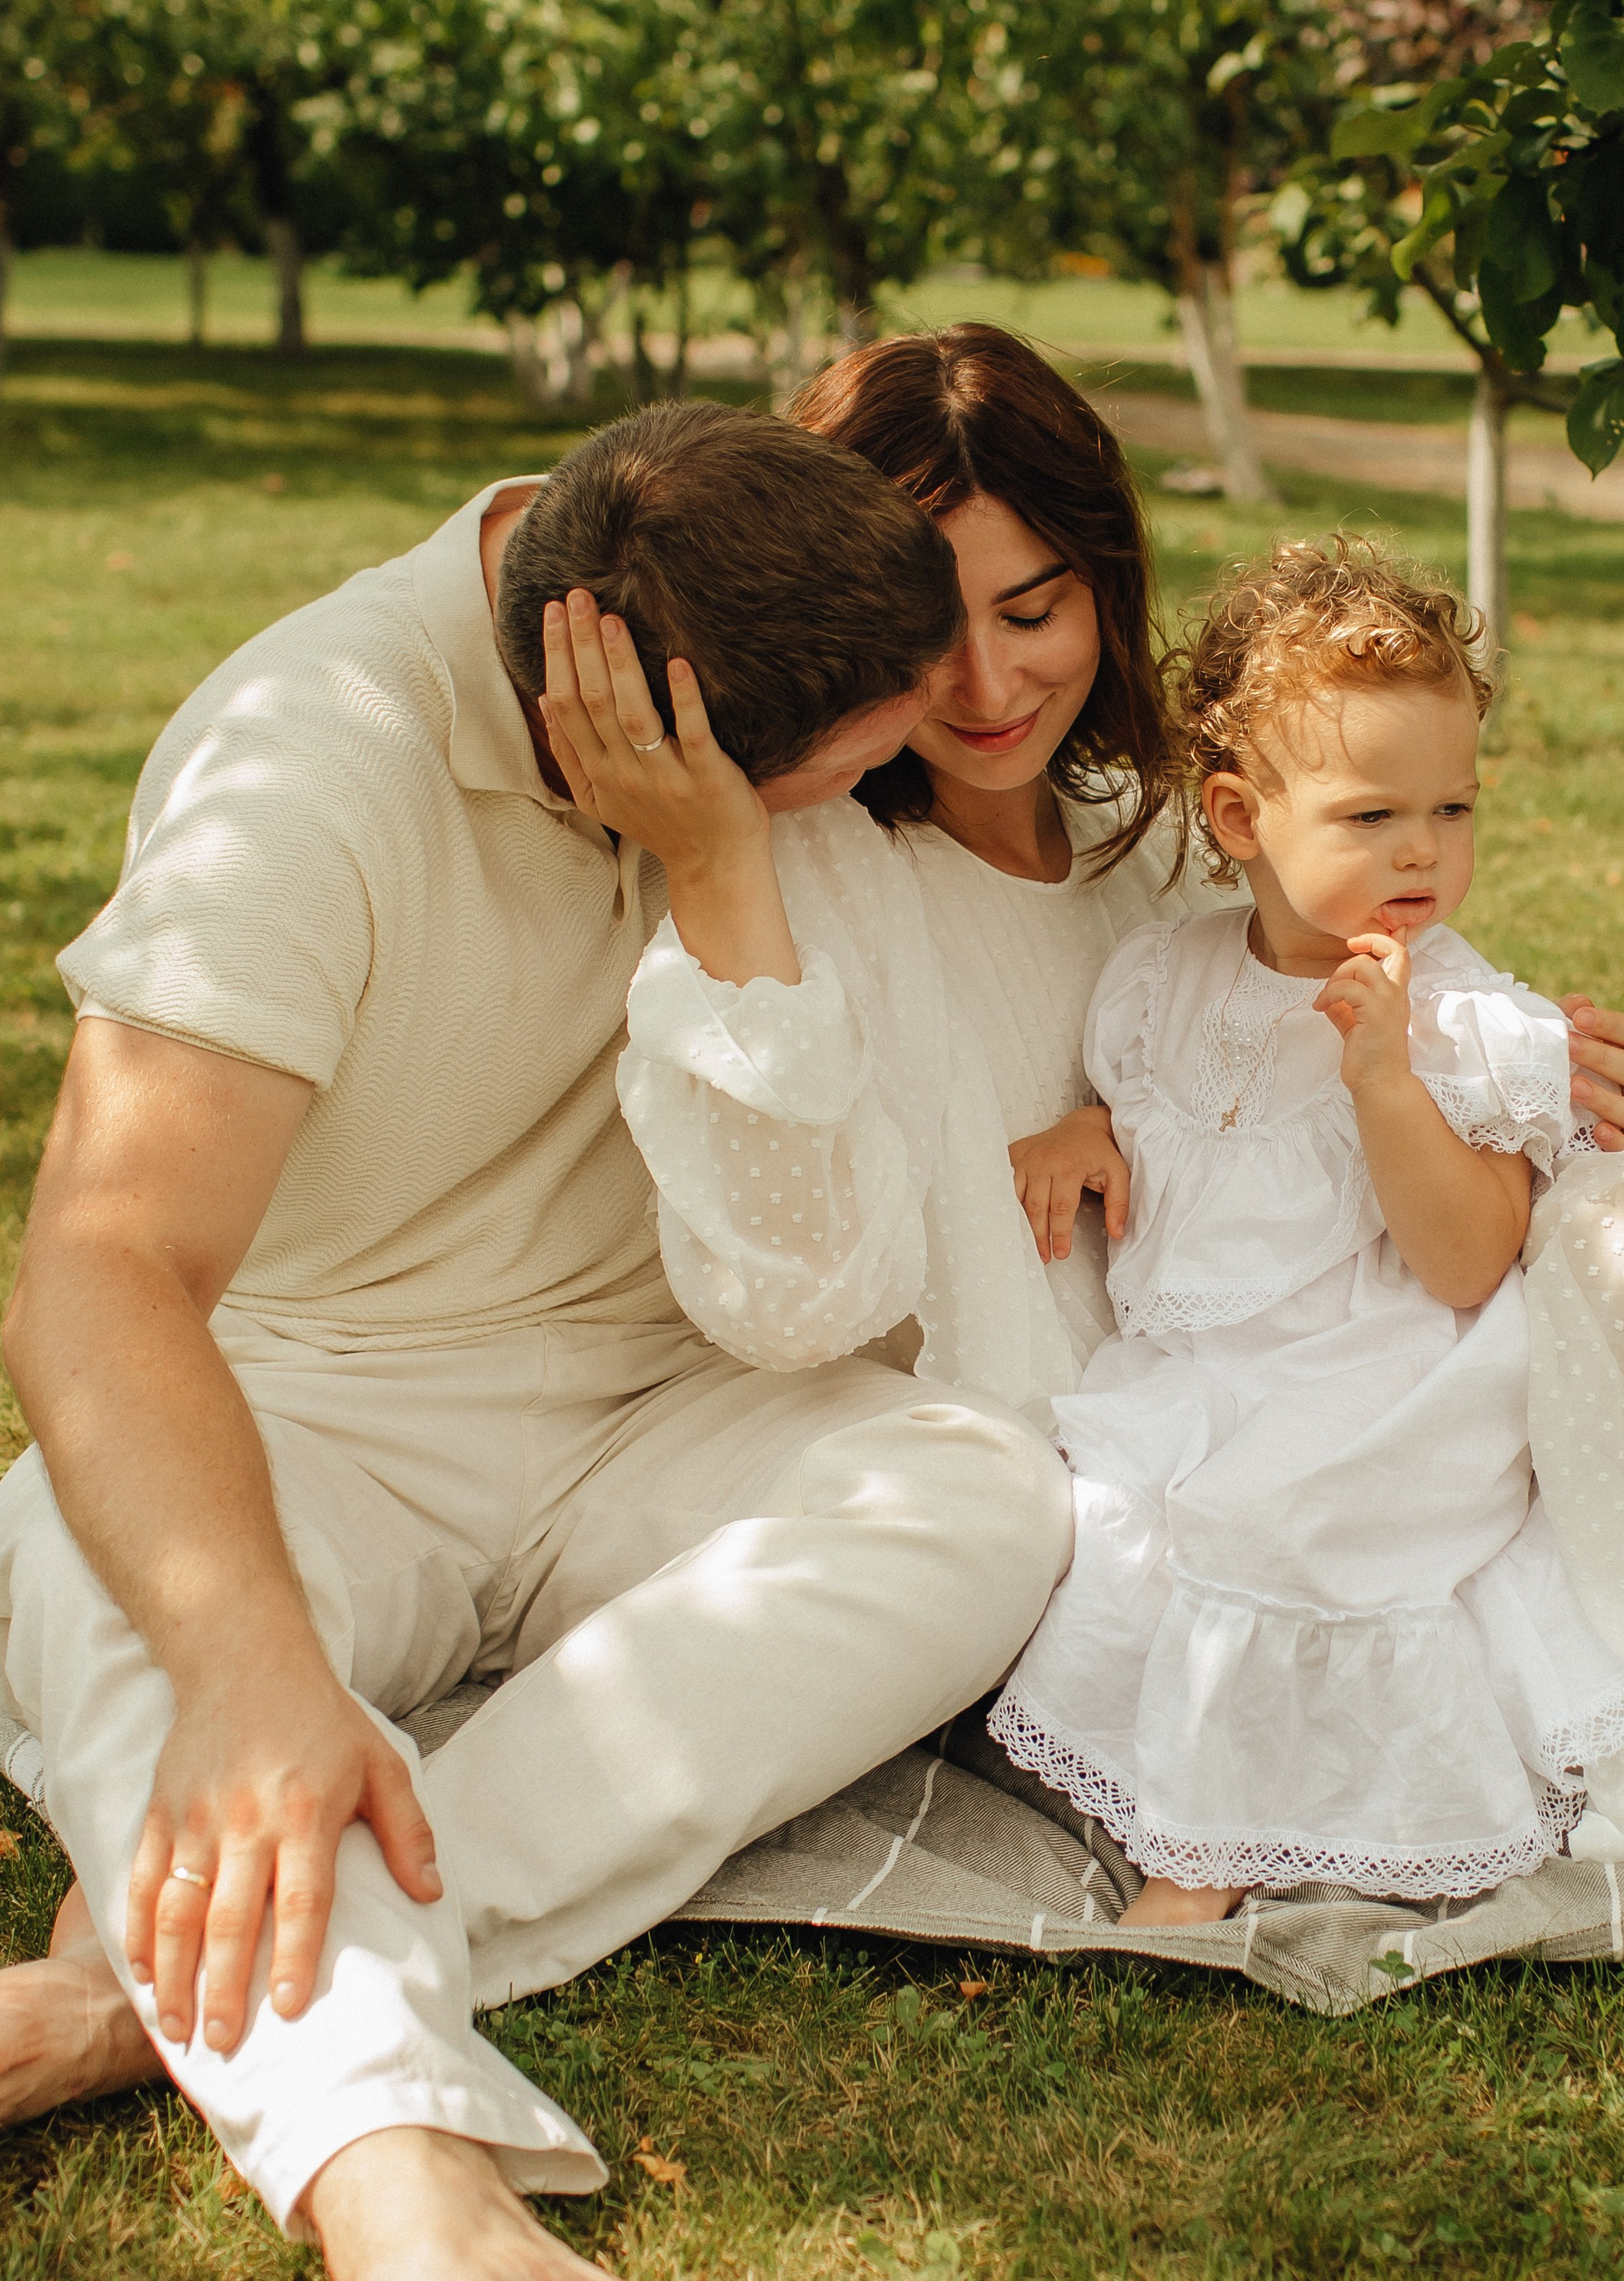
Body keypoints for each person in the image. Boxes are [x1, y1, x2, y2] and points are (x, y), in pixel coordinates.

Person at [557, 327, 1624, 1883]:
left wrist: (1531, 1069)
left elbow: (1346, 982)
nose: (984, 682)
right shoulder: (820, 877)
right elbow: (810, 1281)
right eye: (930, 627)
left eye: (1032, 610)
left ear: (1101, 585)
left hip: (1383, 1368)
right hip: (1173, 1458)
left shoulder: (1154, 839)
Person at [0, 401, 1074, 2279]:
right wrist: (255, 1669)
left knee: (978, 1495)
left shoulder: (736, 637)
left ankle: (143, 1991)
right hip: (333, 1415)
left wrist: (728, 872)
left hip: (670, 1408)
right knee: (85, 1560)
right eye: (877, 740)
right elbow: (103, 1273)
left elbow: (808, 1291)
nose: (947, 728)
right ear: (630, 735)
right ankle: (402, 2183)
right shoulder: (306, 771)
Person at [987, 538, 1624, 1923]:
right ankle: (1166, 1778)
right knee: (1116, 1509)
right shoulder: (1160, 976)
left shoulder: (1475, 1024)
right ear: (1239, 819)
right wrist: (1087, 1135)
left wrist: (1386, 1082)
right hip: (1204, 1377)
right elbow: (1163, 1116)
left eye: (1454, 809)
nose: (1424, 850)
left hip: (1387, 1384)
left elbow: (1468, 1259)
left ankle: (1206, 1855)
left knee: (1276, 1525)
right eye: (1372, 816)